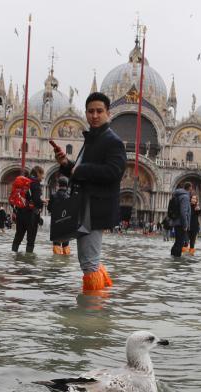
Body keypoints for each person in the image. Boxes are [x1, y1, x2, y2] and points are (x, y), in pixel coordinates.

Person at [53, 92, 126, 291]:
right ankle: (100, 299)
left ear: (108, 113)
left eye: (99, 111)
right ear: (85, 113)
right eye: (91, 111)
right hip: (86, 207)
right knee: (89, 261)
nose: (94, 115)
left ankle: (92, 315)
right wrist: (66, 164)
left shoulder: (112, 141)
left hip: (95, 209)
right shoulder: (93, 139)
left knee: (88, 263)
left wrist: (80, 169)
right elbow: (80, 171)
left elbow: (114, 172)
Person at [49, 176, 72, 255]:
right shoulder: (70, 195)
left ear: (58, 184)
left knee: (56, 244)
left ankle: (57, 261)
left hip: (56, 223)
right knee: (66, 244)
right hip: (67, 223)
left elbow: (49, 209)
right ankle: (65, 260)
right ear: (67, 185)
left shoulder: (53, 195)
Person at [170, 181, 192, 258]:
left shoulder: (178, 195)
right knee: (180, 243)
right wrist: (185, 225)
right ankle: (176, 262)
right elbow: (183, 212)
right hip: (181, 223)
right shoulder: (185, 197)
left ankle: (172, 257)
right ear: (189, 188)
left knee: (177, 242)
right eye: (191, 188)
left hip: (176, 222)